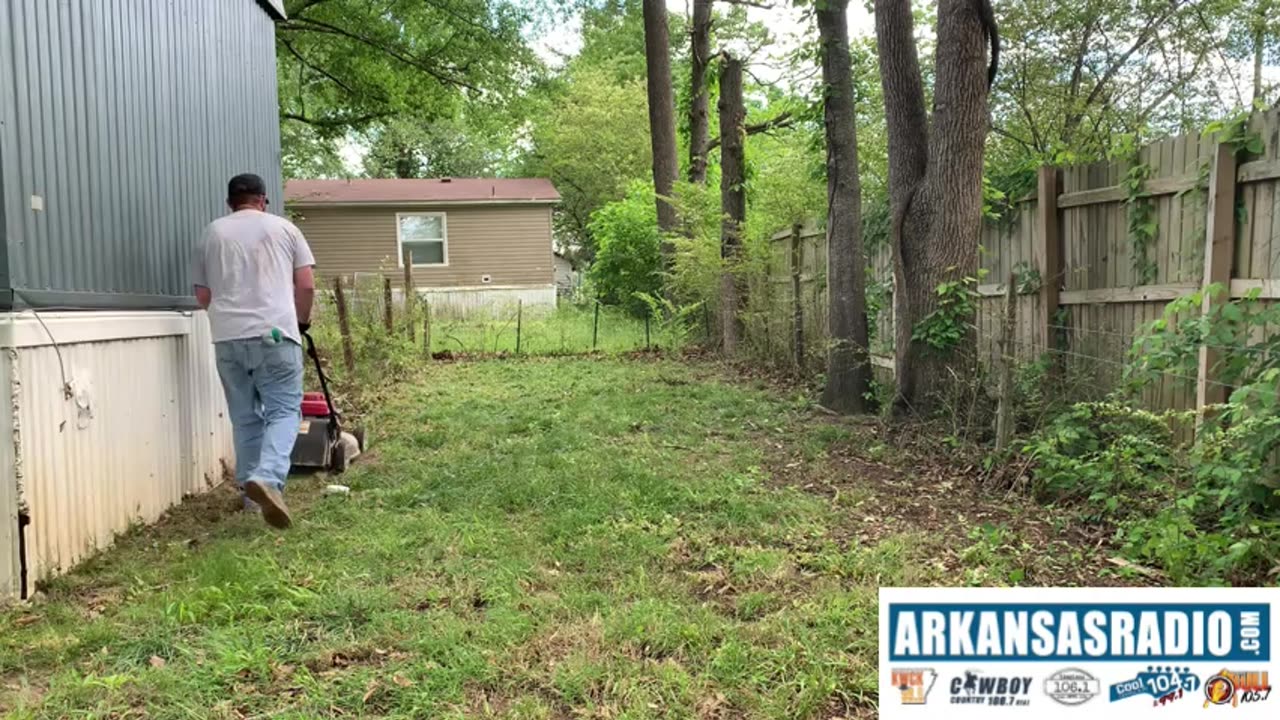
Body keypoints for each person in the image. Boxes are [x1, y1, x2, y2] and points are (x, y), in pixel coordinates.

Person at [192, 173, 316, 529]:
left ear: (231, 202)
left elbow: (203, 296)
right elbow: (305, 285)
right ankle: (269, 477)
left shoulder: (212, 232)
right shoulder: (284, 229)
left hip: (227, 337)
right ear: (263, 200)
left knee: (245, 417)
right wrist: (301, 322)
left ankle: (251, 499)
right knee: (283, 412)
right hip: (275, 333)